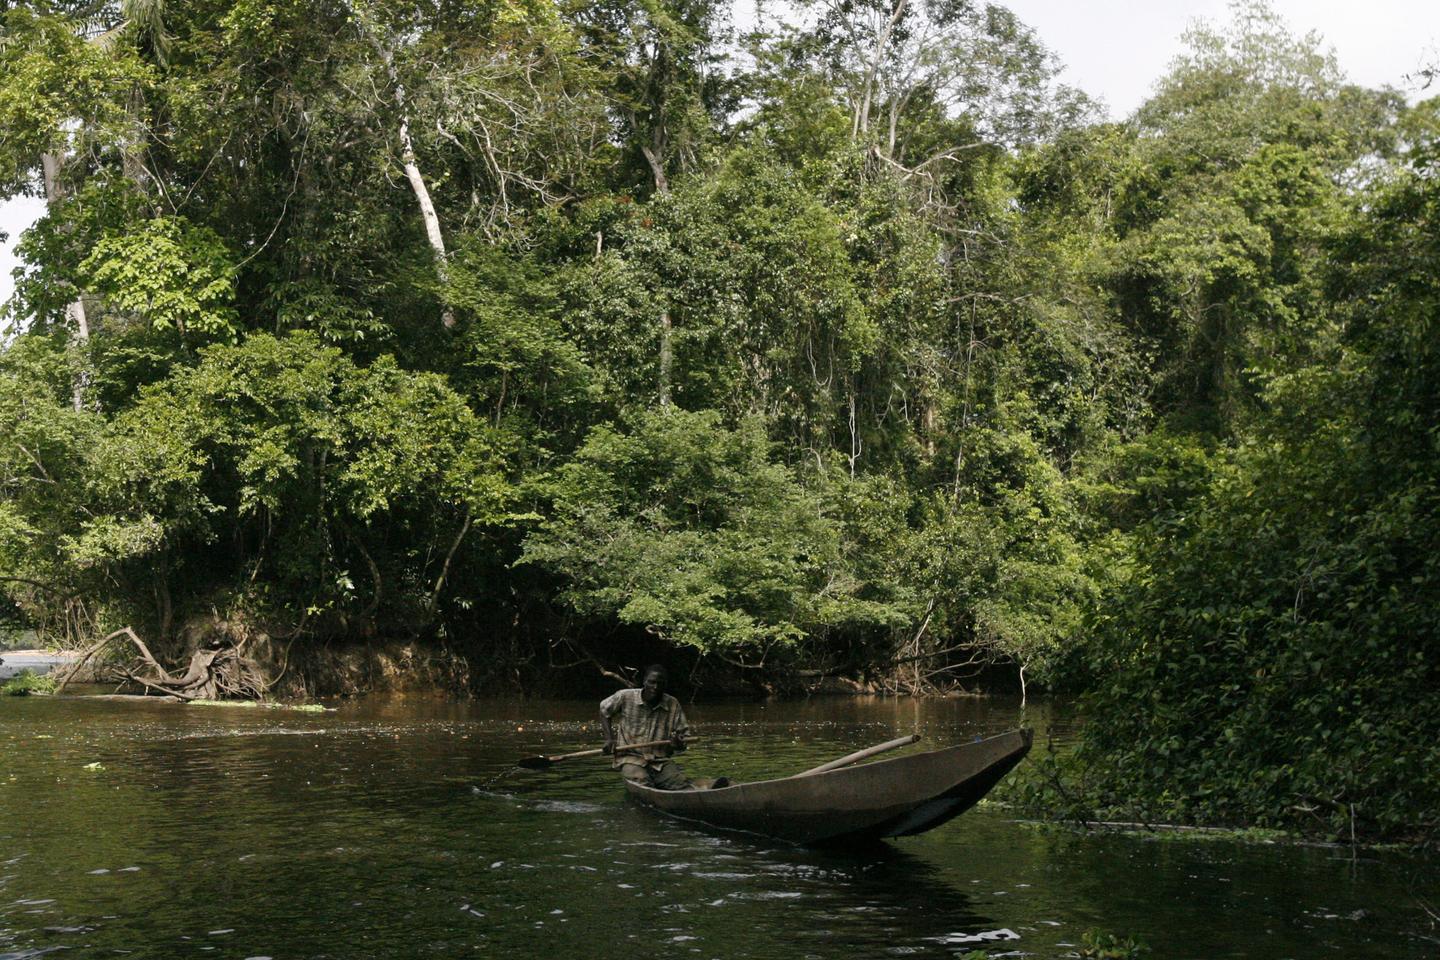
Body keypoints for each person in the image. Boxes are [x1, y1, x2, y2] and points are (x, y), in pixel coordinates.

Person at [600, 664, 697, 790]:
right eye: (652, 682)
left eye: (660, 684)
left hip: (660, 761)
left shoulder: (672, 704)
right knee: (642, 780)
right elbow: (604, 710)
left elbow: (683, 738)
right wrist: (609, 739)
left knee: (680, 783)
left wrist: (677, 743)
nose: (655, 687)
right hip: (630, 758)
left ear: (665, 685)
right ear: (644, 682)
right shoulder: (625, 697)